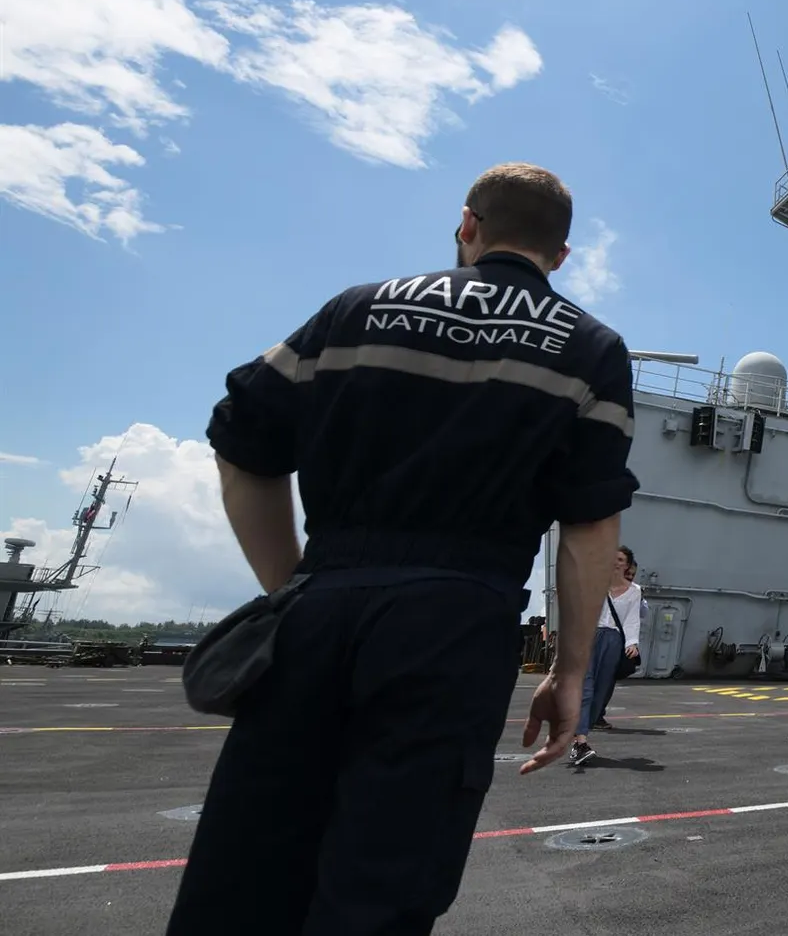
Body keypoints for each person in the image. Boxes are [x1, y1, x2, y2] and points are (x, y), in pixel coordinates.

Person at [167, 163, 639, 935]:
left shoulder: (354, 309)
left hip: (316, 612)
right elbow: (589, 528)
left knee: (240, 872)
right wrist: (570, 668)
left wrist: (291, 588)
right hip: (455, 625)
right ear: (561, 255)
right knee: (381, 886)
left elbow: (241, 444)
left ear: (467, 225)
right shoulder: (589, 349)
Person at [572, 547, 641, 762]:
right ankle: (581, 742)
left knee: (600, 692)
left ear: (627, 565)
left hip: (613, 641)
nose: (615, 562)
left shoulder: (635, 591)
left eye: (620, 559)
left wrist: (632, 643)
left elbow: (632, 619)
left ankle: (576, 737)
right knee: (586, 687)